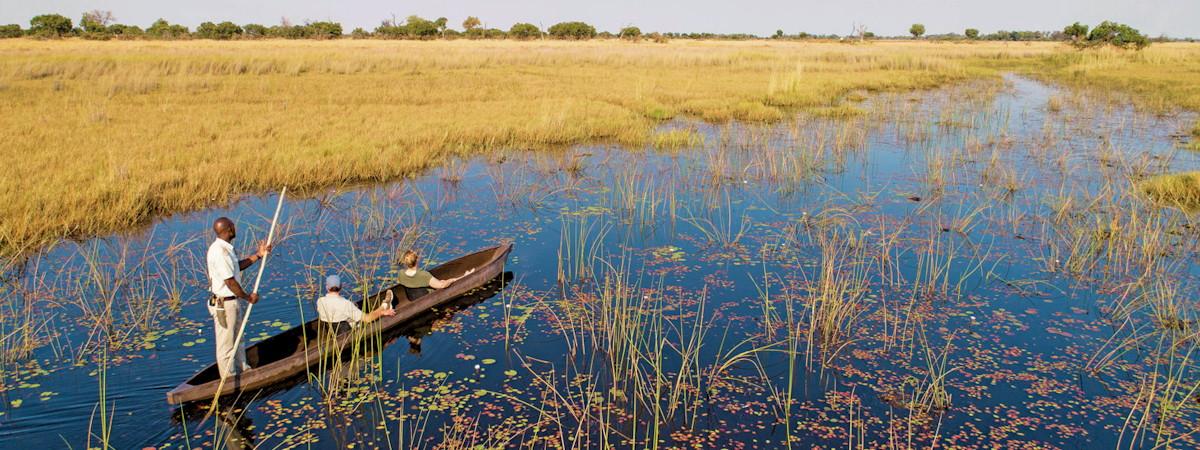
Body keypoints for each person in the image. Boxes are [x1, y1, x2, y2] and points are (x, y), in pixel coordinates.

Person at [206, 217, 271, 378]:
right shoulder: (219, 252)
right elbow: (230, 281)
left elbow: (236, 267)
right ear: (228, 230)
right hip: (225, 304)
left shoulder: (226, 248)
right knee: (226, 345)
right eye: (233, 226)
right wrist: (248, 297)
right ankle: (228, 379)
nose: (235, 228)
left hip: (231, 302)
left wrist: (258, 255)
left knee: (238, 340)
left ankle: (244, 370)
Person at [316, 275, 397, 335]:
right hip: (348, 333)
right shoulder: (345, 304)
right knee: (365, 315)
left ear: (327, 287)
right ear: (341, 287)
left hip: (333, 332)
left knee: (354, 307)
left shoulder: (320, 301)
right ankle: (385, 306)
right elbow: (368, 319)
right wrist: (383, 313)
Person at [396, 250, 474, 300]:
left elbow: (408, 281)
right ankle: (465, 276)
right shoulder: (424, 275)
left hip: (413, 298)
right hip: (425, 297)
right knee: (445, 282)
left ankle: (463, 276)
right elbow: (442, 286)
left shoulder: (401, 273)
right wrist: (451, 280)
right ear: (417, 260)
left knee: (442, 281)